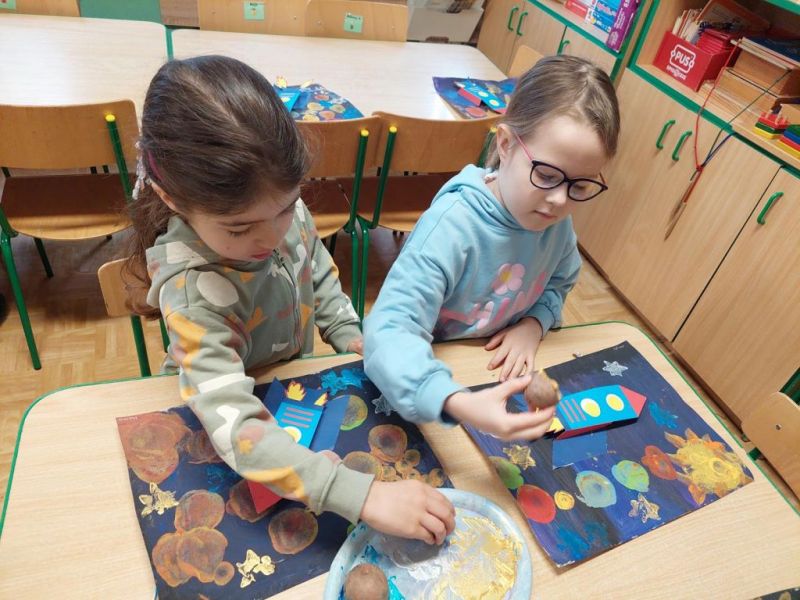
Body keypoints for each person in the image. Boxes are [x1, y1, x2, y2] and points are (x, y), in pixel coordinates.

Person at [126, 55, 454, 545]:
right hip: (227, 412)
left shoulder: (276, 203)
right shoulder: (192, 294)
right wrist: (358, 495)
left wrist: (348, 333)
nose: (272, 236)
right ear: (171, 198)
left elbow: (314, 266)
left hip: (288, 386)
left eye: (286, 208)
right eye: (239, 229)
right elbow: (236, 426)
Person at [364, 55, 620, 441]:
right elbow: (389, 332)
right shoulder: (451, 227)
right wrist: (455, 401)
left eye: (580, 186)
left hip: (488, 372)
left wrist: (534, 324)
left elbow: (559, 282)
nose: (560, 200)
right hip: (432, 388)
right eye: (546, 175)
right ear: (505, 144)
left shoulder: (554, 221)